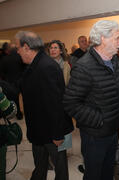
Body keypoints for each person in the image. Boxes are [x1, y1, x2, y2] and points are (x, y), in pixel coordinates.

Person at [63, 20, 119, 180]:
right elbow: (70, 103)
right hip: (95, 134)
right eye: (117, 38)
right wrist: (99, 119)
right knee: (94, 174)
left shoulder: (114, 61)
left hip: (112, 131)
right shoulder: (84, 67)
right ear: (103, 39)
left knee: (107, 172)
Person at [15, 31, 73, 180]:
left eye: (18, 48)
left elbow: (56, 104)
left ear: (27, 47)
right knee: (40, 167)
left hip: (52, 132)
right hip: (38, 130)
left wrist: (58, 134)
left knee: (60, 170)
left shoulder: (47, 67)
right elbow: (22, 86)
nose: (17, 51)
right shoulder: (34, 64)